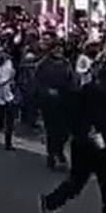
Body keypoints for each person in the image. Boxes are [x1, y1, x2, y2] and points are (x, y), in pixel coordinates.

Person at [39, 42, 106, 213]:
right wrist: (85, 133)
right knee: (76, 183)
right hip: (84, 147)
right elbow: (73, 117)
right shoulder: (83, 92)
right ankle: (51, 201)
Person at [35, 40, 74, 170]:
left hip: (64, 101)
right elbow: (37, 83)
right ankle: (51, 155)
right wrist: (47, 91)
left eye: (60, 48)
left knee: (64, 131)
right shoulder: (43, 64)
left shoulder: (66, 64)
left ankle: (59, 149)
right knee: (52, 130)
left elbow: (72, 81)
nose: (59, 51)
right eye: (56, 48)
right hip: (49, 103)